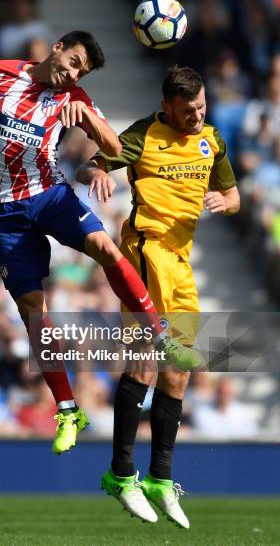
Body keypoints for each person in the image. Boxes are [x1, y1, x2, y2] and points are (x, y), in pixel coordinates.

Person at [0, 31, 185, 459]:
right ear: (57, 47)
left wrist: (86, 113)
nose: (72, 74)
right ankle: (67, 409)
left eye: (80, 72)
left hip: (50, 195)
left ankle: (158, 332)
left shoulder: (74, 96)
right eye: (73, 62)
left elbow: (115, 146)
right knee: (33, 311)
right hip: (2, 213)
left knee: (106, 247)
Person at [77, 65, 240, 528]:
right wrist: (98, 172)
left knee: (180, 373)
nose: (196, 116)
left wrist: (225, 203)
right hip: (146, 248)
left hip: (181, 260)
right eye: (187, 110)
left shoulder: (212, 139)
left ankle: (160, 479)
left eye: (201, 107)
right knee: (148, 361)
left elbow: (233, 196)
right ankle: (121, 473)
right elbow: (94, 161)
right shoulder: (142, 136)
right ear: (166, 106)